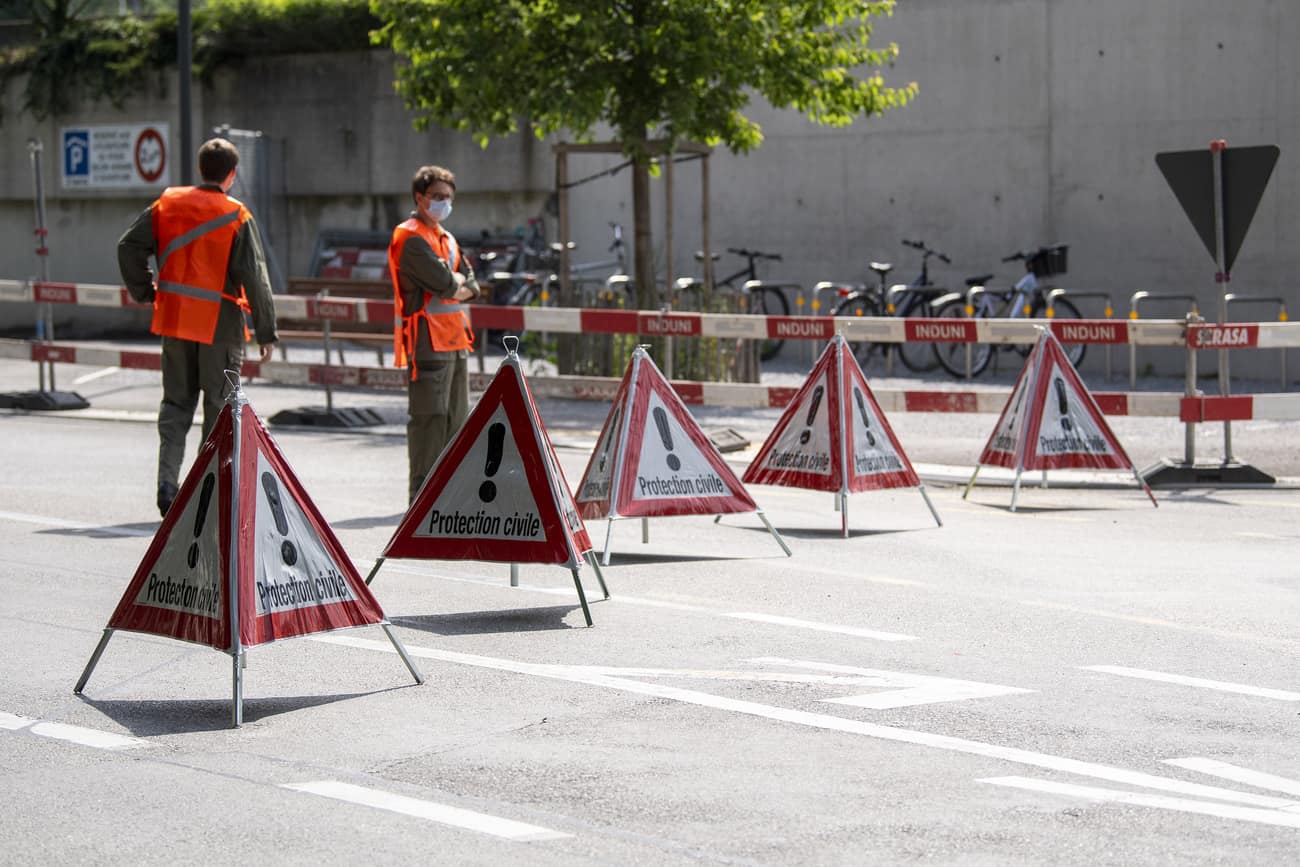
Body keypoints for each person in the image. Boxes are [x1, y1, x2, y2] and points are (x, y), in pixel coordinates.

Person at [118, 137, 278, 517]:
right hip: (219, 326)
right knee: (219, 409)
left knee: (175, 405)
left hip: (174, 319)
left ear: (200, 168)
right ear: (232, 175)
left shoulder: (167, 203)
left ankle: (167, 483)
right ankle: (204, 495)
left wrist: (146, 291)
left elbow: (128, 246)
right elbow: (255, 277)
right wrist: (267, 329)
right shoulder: (236, 214)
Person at [387, 165, 480, 502]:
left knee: (456, 422)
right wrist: (454, 283)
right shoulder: (411, 238)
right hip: (428, 342)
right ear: (419, 198)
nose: (443, 203)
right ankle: (422, 498)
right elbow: (447, 283)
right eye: (437, 197)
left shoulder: (446, 239)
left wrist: (454, 284)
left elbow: (473, 285)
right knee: (430, 423)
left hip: (454, 342)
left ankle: (448, 497)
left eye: (448, 198)